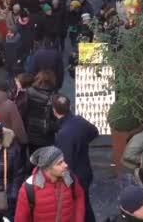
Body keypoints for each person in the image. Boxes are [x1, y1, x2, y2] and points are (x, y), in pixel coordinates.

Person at [53, 94, 99, 222]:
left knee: (78, 207)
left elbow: (66, 161)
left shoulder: (64, 133)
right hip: (85, 169)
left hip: (74, 176)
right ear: (70, 107)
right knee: (85, 203)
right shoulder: (79, 121)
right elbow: (94, 132)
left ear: (54, 111)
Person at [14, 146, 85, 222]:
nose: (65, 165)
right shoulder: (29, 187)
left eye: (63, 161)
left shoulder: (69, 177)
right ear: (47, 168)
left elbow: (79, 196)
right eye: (59, 163)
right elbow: (20, 219)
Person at [25, 71, 58, 154]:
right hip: (46, 135)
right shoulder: (54, 97)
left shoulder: (28, 92)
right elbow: (56, 117)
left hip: (31, 131)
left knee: (33, 159)